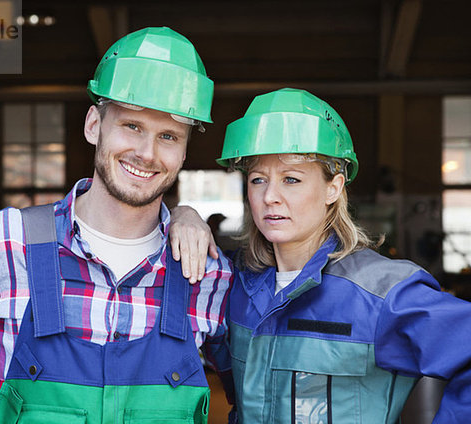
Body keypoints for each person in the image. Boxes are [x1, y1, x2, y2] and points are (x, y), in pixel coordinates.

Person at [0, 27, 233, 423]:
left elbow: (264, 391)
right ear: (94, 125)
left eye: (168, 135)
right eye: (131, 126)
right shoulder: (1, 247)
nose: (147, 153)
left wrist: (187, 213)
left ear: (184, 150)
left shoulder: (205, 274)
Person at [170, 88, 471, 423]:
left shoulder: (383, 294)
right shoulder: (234, 284)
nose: (271, 196)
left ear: (334, 188)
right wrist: (181, 215)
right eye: (258, 180)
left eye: (292, 179)